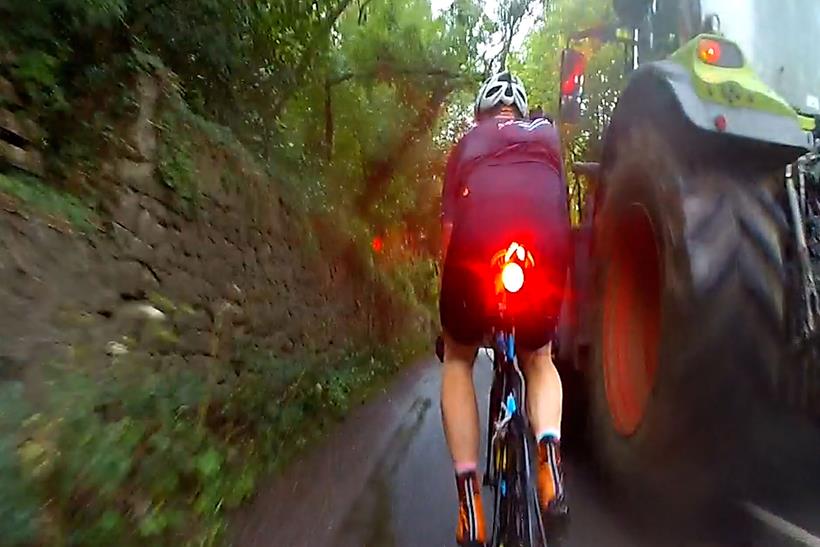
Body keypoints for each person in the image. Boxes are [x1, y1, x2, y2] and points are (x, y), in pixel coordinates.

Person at [439, 71, 571, 546]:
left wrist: (451, 314)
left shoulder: (466, 143)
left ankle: (470, 506)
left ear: (482, 114)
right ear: (520, 110)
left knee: (458, 357)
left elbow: (450, 237)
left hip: (478, 253)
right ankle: (549, 461)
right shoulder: (549, 136)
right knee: (540, 357)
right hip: (544, 249)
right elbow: (561, 215)